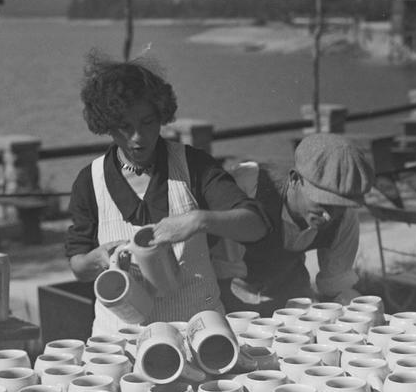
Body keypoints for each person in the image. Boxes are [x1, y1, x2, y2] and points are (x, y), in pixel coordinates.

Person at [65, 51, 269, 334]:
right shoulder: (90, 181)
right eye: (125, 126)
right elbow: (78, 266)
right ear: (107, 125)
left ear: (161, 116)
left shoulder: (194, 166)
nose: (138, 137)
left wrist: (200, 220)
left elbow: (255, 225)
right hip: (119, 341)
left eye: (148, 122)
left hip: (198, 333)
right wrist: (97, 259)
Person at [212, 133, 372, 317]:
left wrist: (360, 313)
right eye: (322, 203)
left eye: (339, 207)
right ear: (295, 179)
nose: (329, 216)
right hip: (233, 297)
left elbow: (336, 285)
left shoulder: (345, 215)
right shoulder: (246, 190)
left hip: (293, 295)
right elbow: (221, 274)